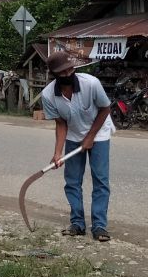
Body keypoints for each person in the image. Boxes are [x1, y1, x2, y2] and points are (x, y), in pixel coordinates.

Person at [40, 51, 114, 242]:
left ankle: (99, 226)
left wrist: (90, 137)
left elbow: (105, 109)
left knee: (100, 180)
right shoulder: (48, 95)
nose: (68, 74)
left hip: (99, 134)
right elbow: (61, 123)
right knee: (72, 181)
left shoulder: (91, 83)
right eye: (62, 72)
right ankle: (77, 223)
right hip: (73, 135)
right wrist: (57, 153)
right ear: (54, 74)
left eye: (70, 69)